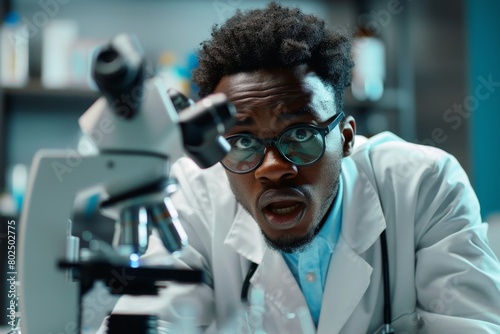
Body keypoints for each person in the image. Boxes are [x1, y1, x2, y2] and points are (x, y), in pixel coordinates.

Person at [99, 2, 500, 333]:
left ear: (345, 138)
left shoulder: (424, 186)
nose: (273, 168)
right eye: (241, 142)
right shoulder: (189, 198)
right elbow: (154, 319)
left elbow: (470, 323)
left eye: (301, 134)